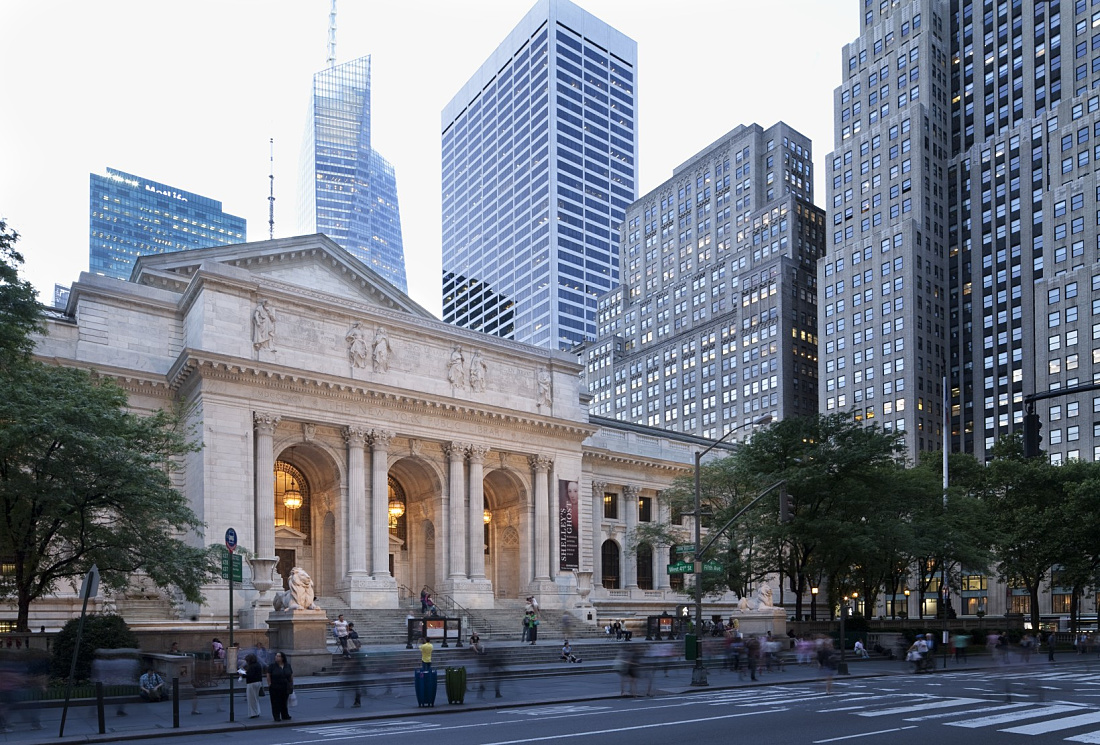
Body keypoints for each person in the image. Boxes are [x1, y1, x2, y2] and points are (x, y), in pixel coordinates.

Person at [265, 651, 294, 722]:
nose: (276, 657)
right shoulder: (272, 666)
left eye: (278, 656)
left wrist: (291, 683)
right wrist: (269, 684)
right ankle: (276, 716)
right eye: (276, 656)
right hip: (275, 686)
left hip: (285, 686)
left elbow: (290, 675)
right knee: (275, 702)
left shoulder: (287, 665)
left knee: (284, 701)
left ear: (282, 658)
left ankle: (285, 715)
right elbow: (268, 675)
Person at [244, 653, 264, 718]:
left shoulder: (252, 666)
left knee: (251, 699)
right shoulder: (258, 665)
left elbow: (250, 675)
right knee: (256, 699)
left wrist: (243, 675)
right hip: (258, 682)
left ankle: (253, 713)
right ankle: (257, 711)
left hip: (251, 683)